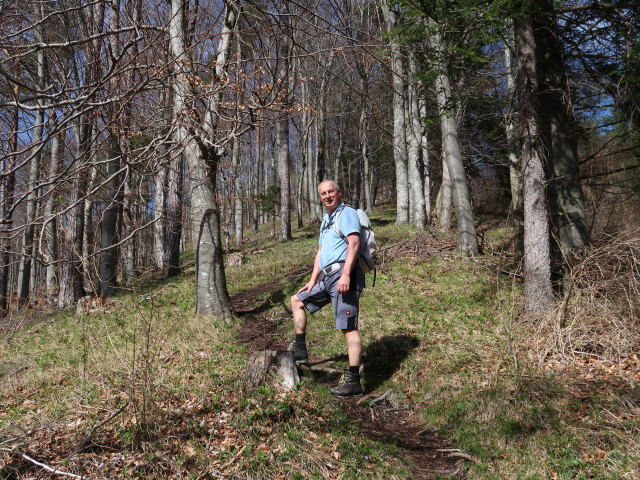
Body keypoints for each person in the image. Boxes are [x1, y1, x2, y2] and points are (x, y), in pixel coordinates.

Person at [290, 180, 365, 397]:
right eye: (323, 193)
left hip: (343, 275)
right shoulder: (326, 219)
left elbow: (354, 244)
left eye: (331, 191)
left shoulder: (347, 213)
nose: (327, 196)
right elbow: (320, 253)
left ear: (339, 193)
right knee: (297, 300)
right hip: (326, 276)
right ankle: (300, 350)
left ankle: (353, 381)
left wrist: (346, 275)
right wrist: (313, 280)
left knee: (348, 327)